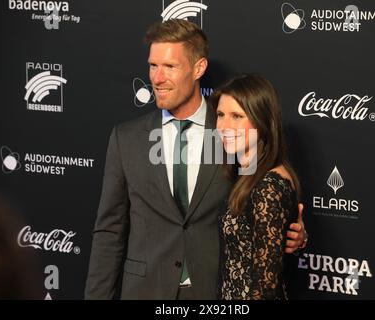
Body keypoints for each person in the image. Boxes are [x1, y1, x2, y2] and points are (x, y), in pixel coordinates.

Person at [85, 19, 307, 300]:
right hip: (146, 290)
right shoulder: (126, 138)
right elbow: (109, 230)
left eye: (170, 67)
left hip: (214, 291)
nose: (157, 77)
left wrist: (294, 233)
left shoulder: (231, 130)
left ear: (198, 68)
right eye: (153, 65)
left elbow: (265, 190)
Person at [213, 74, 300, 300]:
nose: (224, 126)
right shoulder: (245, 173)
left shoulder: (269, 186)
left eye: (237, 116)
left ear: (261, 121)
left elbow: (266, 287)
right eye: (220, 115)